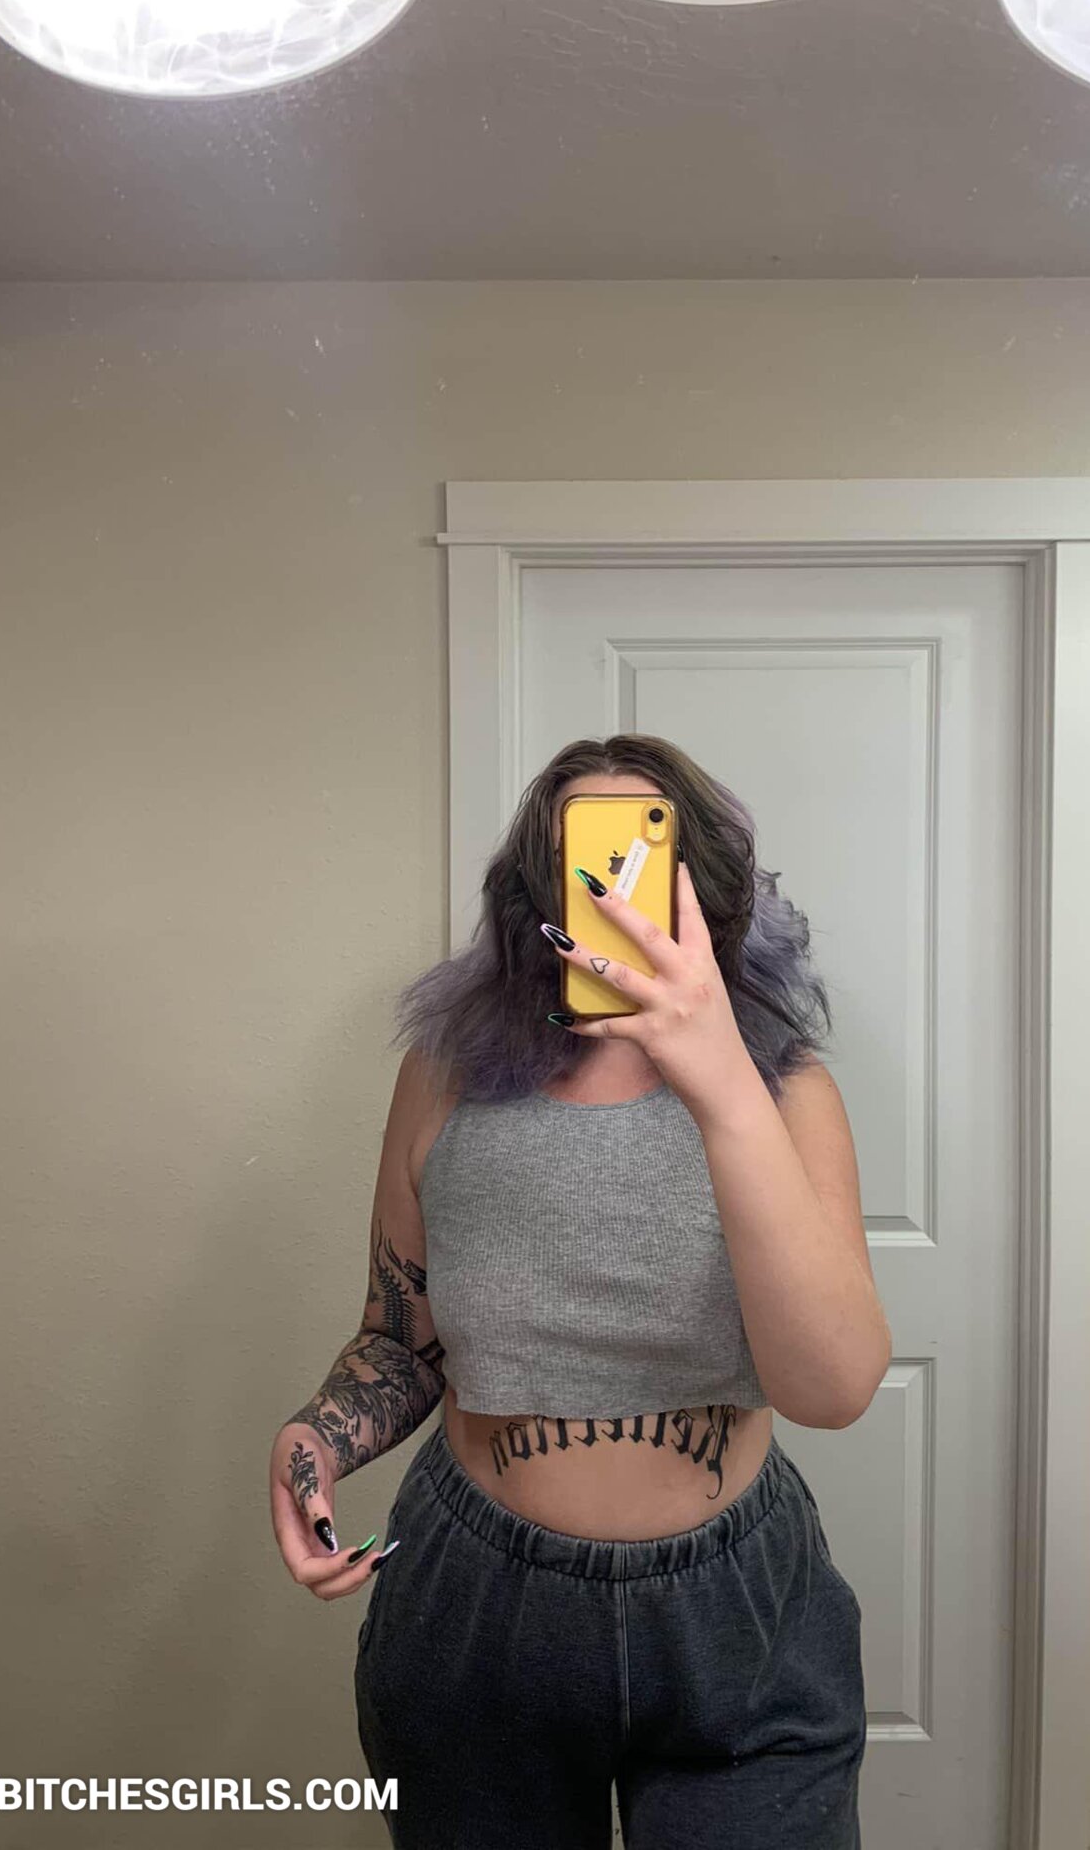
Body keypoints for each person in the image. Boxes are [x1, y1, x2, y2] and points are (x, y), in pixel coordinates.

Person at [268, 733, 891, 1850]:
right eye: (577, 861)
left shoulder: (784, 1092)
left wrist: (720, 1079)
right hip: (477, 1602)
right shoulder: (444, 1077)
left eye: (638, 858)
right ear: (533, 892)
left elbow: (833, 1387)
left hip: (737, 1611)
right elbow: (401, 1337)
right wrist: (315, 1436)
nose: (606, 890)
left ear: (702, 885)